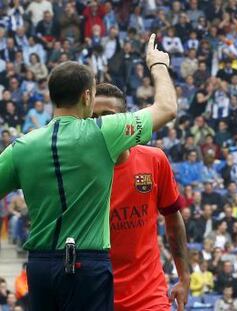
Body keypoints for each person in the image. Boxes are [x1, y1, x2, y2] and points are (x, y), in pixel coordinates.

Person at [0, 33, 177, 311]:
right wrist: (157, 64)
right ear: (87, 96)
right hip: (85, 264)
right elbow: (167, 108)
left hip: (39, 268)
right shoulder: (103, 133)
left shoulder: (22, 147)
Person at [92, 82, 190, 311]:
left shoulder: (154, 160)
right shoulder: (77, 171)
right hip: (95, 296)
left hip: (149, 297)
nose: (101, 124)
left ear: (127, 120)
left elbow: (173, 219)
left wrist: (184, 277)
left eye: (108, 116)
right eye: (93, 117)